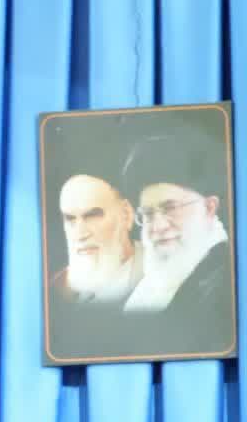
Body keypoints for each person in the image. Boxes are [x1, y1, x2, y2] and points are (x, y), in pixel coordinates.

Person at [119, 134, 235, 354]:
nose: (158, 226)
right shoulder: (146, 289)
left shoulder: (228, 284)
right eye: (148, 214)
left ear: (209, 208)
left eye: (171, 208)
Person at [51, 174, 142, 306]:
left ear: (126, 215)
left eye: (92, 216)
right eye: (70, 219)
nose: (80, 234)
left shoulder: (159, 275)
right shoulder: (58, 288)